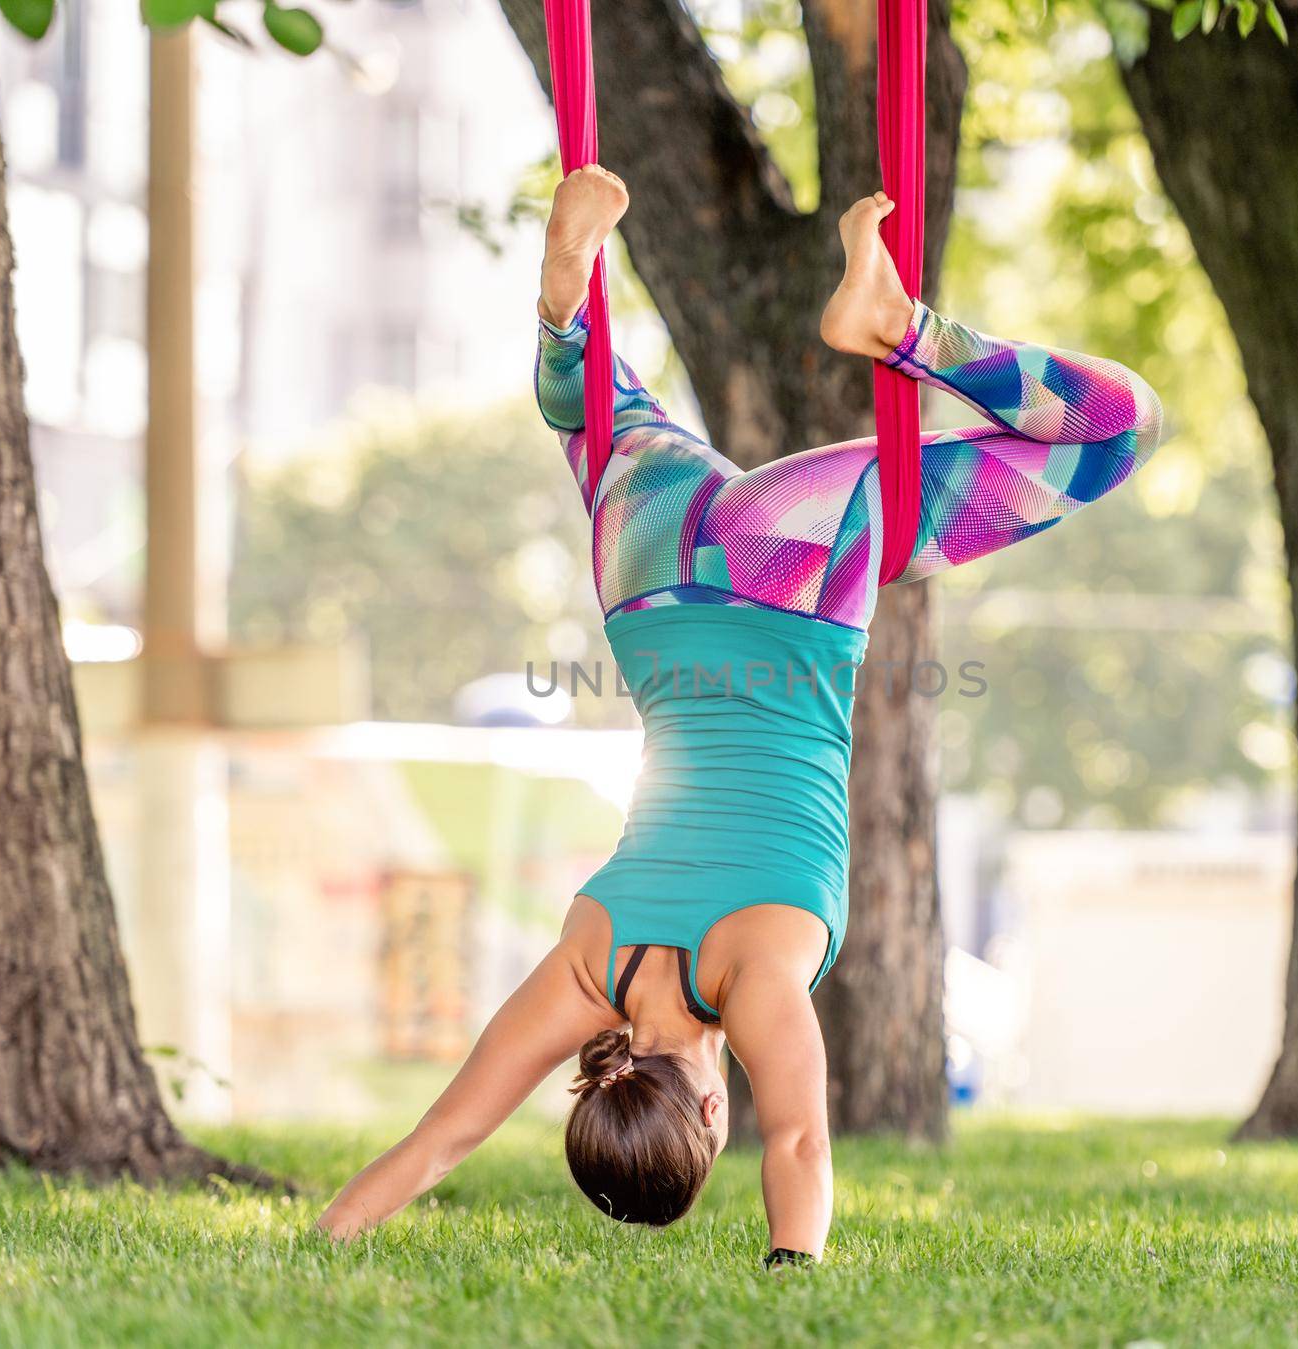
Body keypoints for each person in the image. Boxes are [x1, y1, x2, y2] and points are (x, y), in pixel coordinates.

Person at [319, 165, 1163, 1265]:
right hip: (650, 561)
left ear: (711, 1114)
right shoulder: (587, 962)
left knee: (1113, 431)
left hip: (787, 571)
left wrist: (791, 1265)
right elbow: (442, 1139)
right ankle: (564, 315)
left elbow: (805, 1140)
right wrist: (321, 1233)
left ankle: (900, 326)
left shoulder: (759, 969)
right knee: (597, 424)